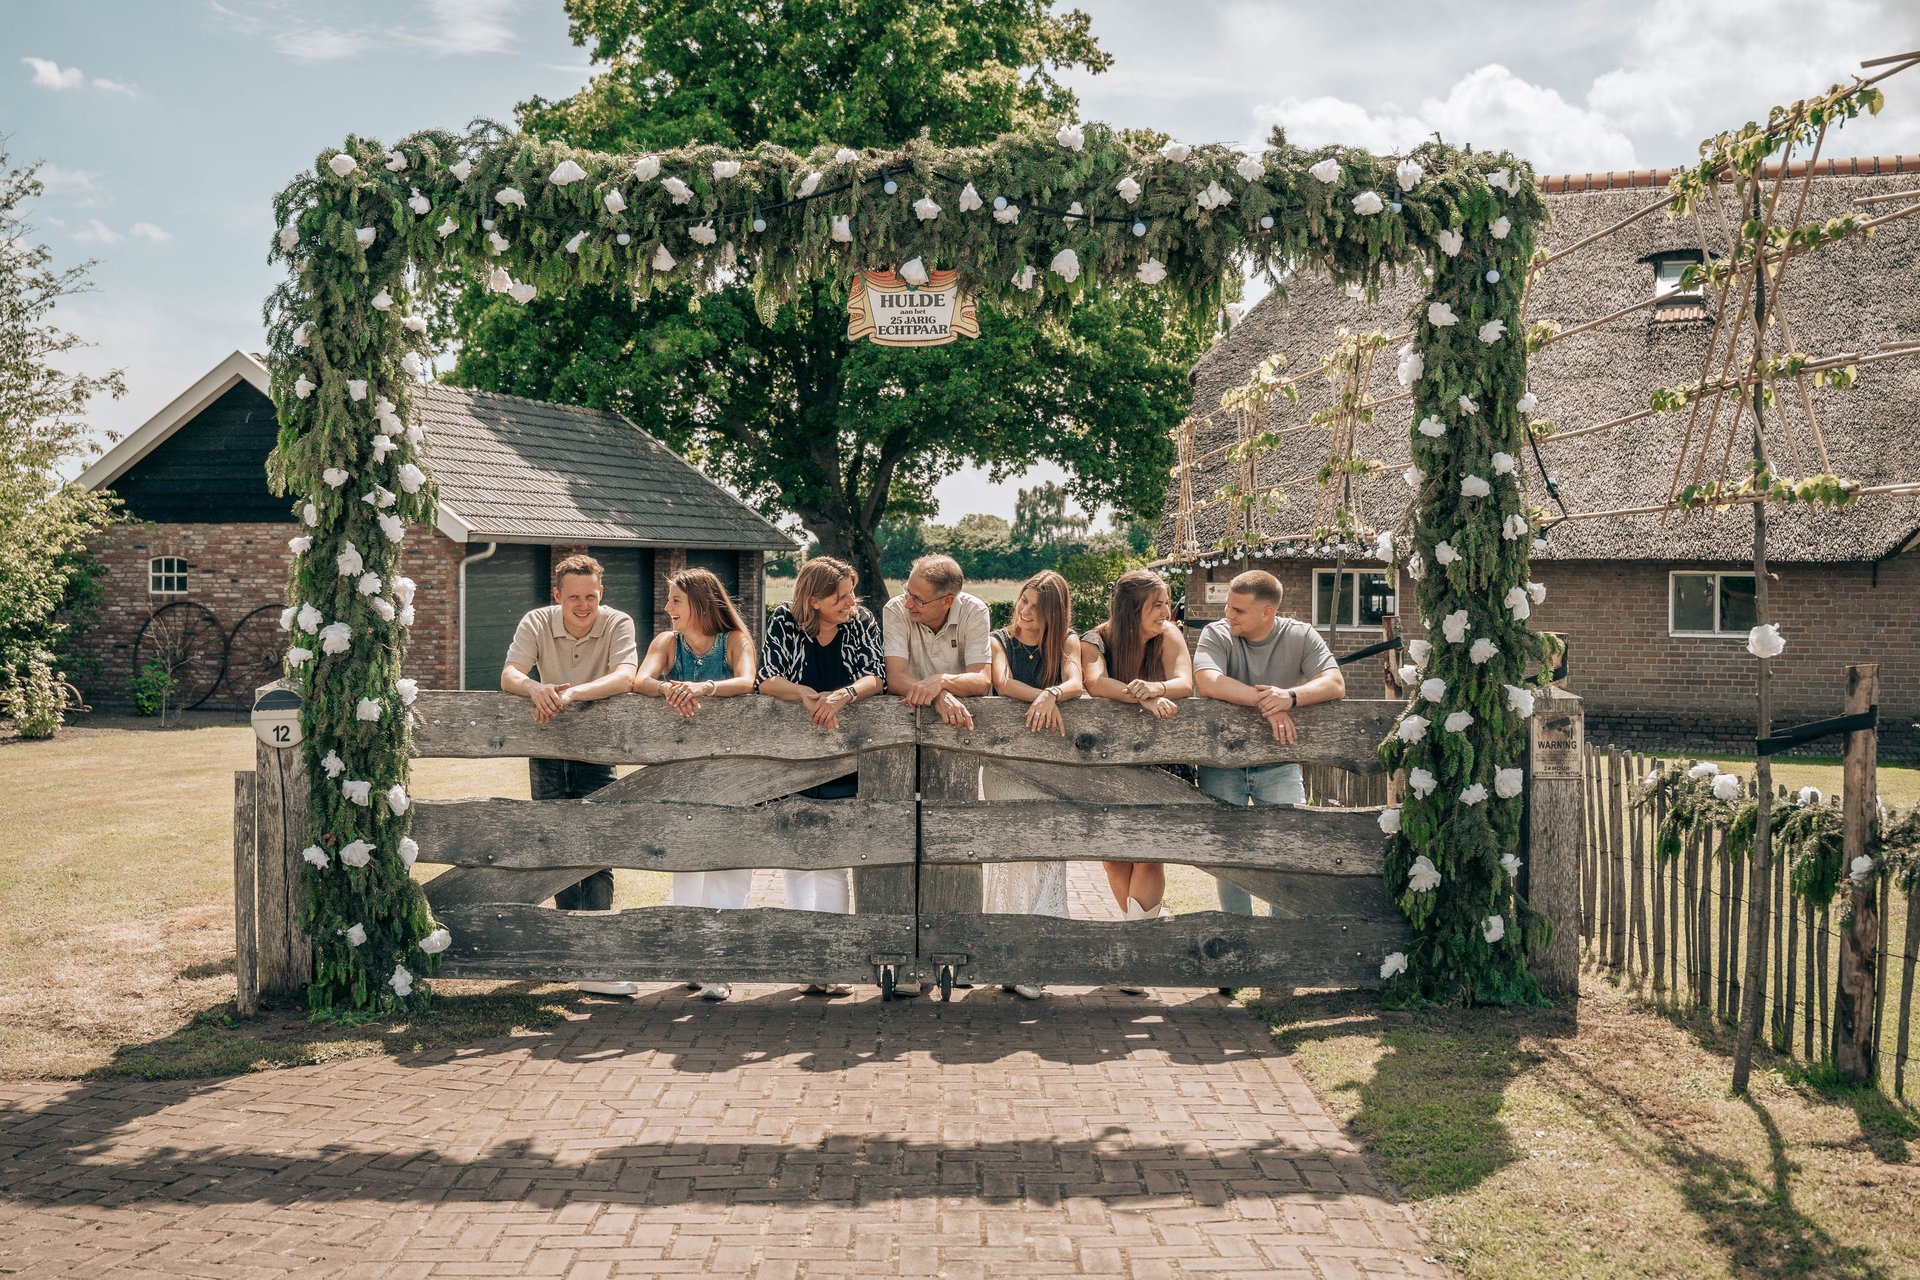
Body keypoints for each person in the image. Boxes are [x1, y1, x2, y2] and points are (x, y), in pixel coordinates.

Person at [500, 552, 640, 997]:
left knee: (599, 844)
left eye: (591, 596)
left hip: (598, 745)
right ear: (557, 595)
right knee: (554, 843)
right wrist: (537, 687)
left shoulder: (618, 622)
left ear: (602, 593)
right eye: (574, 597)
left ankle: (597, 954)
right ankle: (566, 950)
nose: (583, 605)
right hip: (546, 744)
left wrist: (572, 693)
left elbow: (626, 676)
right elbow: (510, 674)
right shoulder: (537, 621)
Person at [755, 555, 888, 995]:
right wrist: (807, 696)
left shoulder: (861, 620)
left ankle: (833, 959)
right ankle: (807, 959)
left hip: (847, 757)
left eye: (851, 593)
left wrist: (844, 696)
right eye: (841, 596)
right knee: (796, 859)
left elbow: (877, 676)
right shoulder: (783, 620)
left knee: (833, 860)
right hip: (792, 760)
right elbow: (766, 679)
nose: (851, 601)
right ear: (813, 600)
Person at [632, 566, 759, 1002]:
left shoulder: (736, 641)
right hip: (683, 773)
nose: (667, 609)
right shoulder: (667, 644)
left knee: (730, 868)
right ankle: (691, 957)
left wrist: (704, 687)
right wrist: (670, 689)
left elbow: (746, 681)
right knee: (688, 867)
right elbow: (640, 679)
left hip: (734, 772)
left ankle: (721, 966)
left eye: (675, 601)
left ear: (701, 603)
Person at [1192, 569, 1346, 918]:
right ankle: (1239, 934)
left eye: (1238, 610)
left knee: (1290, 849)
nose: (1228, 614)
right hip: (1223, 762)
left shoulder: (1300, 635)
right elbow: (1208, 682)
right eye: (1228, 607)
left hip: (1279, 762)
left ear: (1267, 612)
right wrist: (1268, 703)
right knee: (1228, 853)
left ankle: (1283, 938)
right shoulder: (1216, 633)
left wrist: (1290, 697)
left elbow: (1335, 683)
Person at [984, 569, 1084, 1000]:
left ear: (1054, 614)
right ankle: (1005, 956)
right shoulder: (997, 640)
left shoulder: (1067, 642)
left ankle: (1037, 960)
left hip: (1051, 766)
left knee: (1048, 854)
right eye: (1023, 601)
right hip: (1005, 766)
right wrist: (1040, 696)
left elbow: (1077, 682)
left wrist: (1054, 695)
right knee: (1011, 858)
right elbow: (1003, 684)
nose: (1024, 612)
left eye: (1035, 608)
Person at [1080, 568, 1194, 925]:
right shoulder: (1095, 640)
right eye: (1157, 605)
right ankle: (1136, 932)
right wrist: (1142, 699)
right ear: (1132, 609)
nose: (1166, 612)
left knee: (1148, 852)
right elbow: (1097, 683)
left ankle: (1138, 940)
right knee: (1114, 857)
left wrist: (1156, 689)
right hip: (1108, 762)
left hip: (1162, 761)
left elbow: (1184, 682)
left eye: (1166, 604)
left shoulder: (1168, 635)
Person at [882, 554, 992, 728]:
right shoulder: (895, 609)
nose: (908, 603)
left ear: (947, 601)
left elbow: (982, 681)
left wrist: (941, 682)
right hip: (908, 719)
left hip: (962, 720)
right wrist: (938, 694)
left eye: (918, 599)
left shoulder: (974, 611)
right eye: (907, 592)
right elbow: (895, 678)